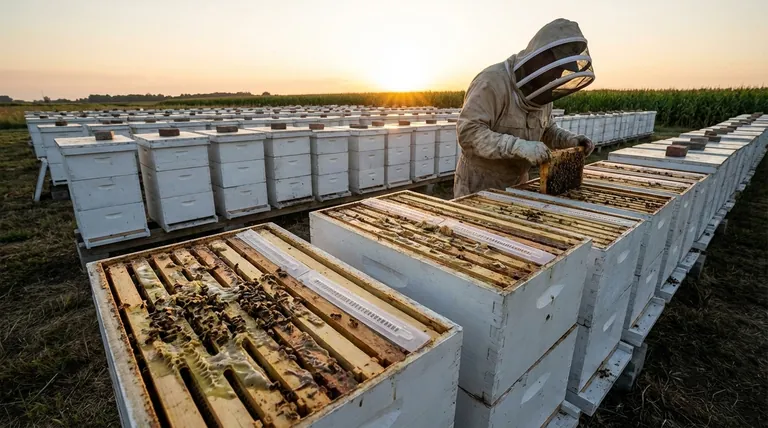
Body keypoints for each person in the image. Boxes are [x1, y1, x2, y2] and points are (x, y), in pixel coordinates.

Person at [454, 18, 596, 198]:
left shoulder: (542, 91)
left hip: (519, 182)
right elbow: (469, 132)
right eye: (558, 68)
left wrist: (571, 140)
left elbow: (547, 130)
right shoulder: (492, 81)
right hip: (479, 184)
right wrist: (517, 146)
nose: (558, 75)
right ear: (542, 58)